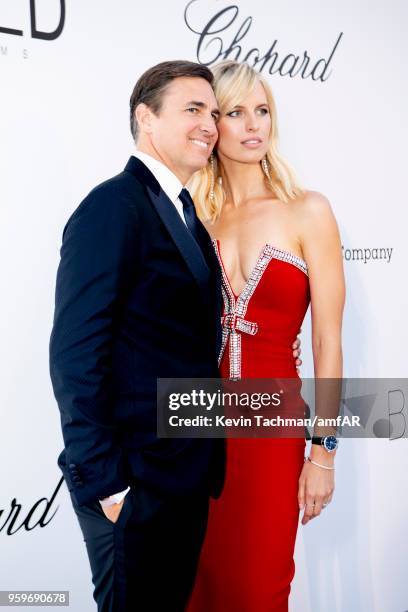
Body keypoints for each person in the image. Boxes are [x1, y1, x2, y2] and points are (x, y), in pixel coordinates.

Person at [49, 58, 303, 612]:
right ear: (146, 119)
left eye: (214, 113)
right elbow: (74, 357)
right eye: (193, 110)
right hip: (133, 482)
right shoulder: (112, 207)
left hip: (184, 478)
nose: (209, 125)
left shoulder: (184, 212)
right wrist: (106, 486)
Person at [187, 60, 345, 612]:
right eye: (236, 112)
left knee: (257, 591)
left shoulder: (308, 211)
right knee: (195, 590)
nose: (254, 125)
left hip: (274, 436)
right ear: (211, 124)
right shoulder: (194, 221)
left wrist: (322, 452)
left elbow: (328, 344)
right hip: (196, 435)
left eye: (263, 111)